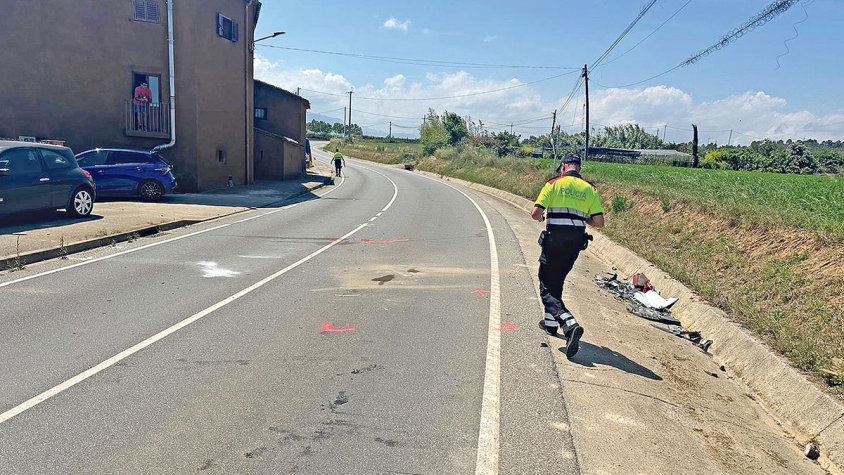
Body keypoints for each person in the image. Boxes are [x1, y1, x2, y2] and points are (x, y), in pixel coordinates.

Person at [531, 153, 605, 358]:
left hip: (554, 240)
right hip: (574, 243)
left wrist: (543, 217)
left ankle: (569, 324)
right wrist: (582, 217)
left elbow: (535, 213)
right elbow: (599, 222)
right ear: (578, 168)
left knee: (546, 284)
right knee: (557, 281)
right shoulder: (590, 189)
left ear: (563, 167)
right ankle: (551, 324)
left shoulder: (553, 183)